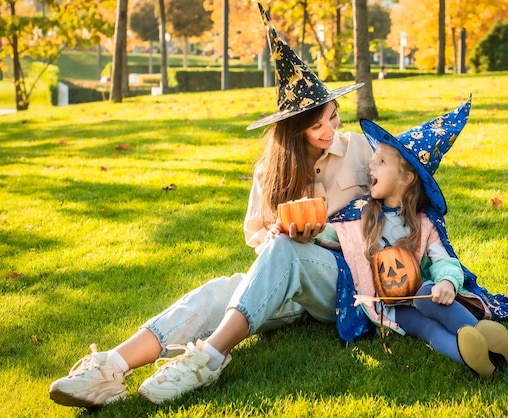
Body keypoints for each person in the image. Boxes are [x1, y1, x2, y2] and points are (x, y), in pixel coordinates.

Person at [49, 4, 372, 407]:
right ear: (293, 130)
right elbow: (256, 233)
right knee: (219, 291)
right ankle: (110, 367)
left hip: (342, 283)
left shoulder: (360, 149)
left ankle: (208, 359)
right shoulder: (272, 170)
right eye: (316, 125)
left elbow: (391, 214)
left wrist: (324, 234)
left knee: (286, 252)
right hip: (286, 284)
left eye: (333, 118)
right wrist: (272, 234)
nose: (329, 131)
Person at [328, 98, 508, 377]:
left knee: (426, 295)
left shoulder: (423, 223)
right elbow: (330, 232)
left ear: (406, 178)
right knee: (427, 328)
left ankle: (484, 335)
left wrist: (447, 282)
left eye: (381, 161)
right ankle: (474, 356)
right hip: (391, 305)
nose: (371, 166)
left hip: (425, 293)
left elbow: (442, 259)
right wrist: (294, 229)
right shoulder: (362, 216)